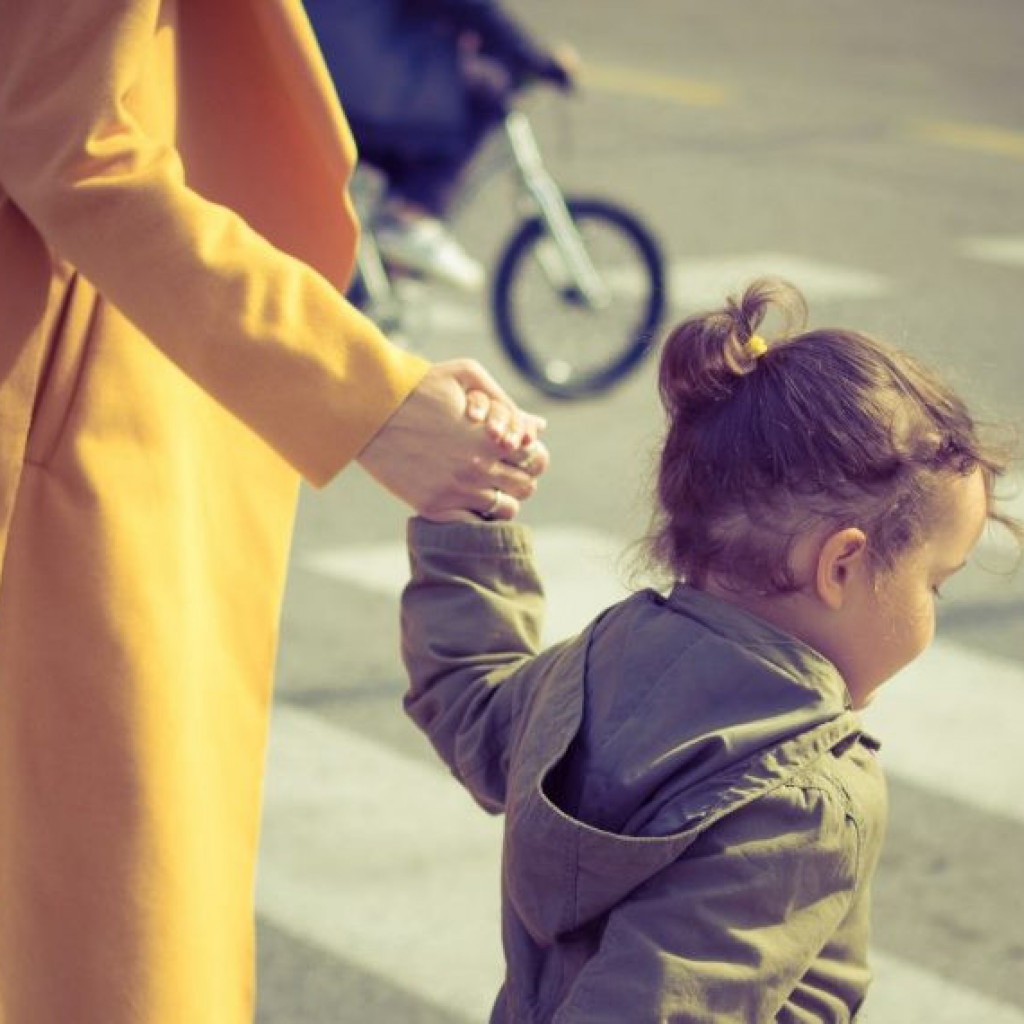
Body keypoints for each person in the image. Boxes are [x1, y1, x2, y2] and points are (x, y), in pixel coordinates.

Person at [0, 1, 545, 1022]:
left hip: (114, 390)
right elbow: (68, 141)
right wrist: (363, 396)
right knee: (101, 933)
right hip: (72, 423)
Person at [400, 277, 1022, 1022]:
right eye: (936, 584)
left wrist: (465, 518)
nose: (932, 613)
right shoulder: (801, 798)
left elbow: (473, 700)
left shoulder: (601, 662)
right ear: (841, 566)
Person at [305, 0, 577, 291]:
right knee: (485, 95)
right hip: (362, 74)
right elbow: (469, 7)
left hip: (323, 58)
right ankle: (409, 217)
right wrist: (532, 58)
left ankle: (388, 273)